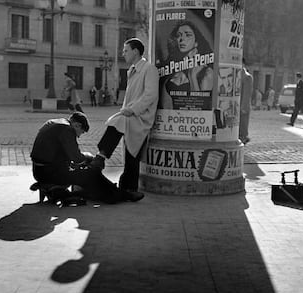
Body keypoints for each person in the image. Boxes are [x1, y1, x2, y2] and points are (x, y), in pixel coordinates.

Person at [90, 38, 159, 194]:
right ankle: (128, 188)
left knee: (117, 122)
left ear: (135, 51)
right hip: (131, 115)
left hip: (140, 116)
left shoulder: (149, 69)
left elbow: (150, 95)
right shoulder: (132, 70)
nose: (123, 53)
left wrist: (133, 109)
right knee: (131, 153)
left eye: (125, 50)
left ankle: (101, 156)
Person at [30, 112, 144, 204]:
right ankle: (121, 194)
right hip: (50, 173)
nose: (79, 136)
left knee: (88, 174)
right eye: (81, 132)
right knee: (91, 173)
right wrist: (89, 158)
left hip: (39, 170)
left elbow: (63, 154)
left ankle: (111, 192)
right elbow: (76, 158)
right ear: (77, 125)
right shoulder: (67, 129)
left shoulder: (57, 122)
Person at [159, 21, 213, 109]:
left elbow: (200, 106)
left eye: (188, 35)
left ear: (196, 42)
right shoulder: (173, 67)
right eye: (178, 35)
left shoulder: (207, 72)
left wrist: (192, 76)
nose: (181, 39)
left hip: (198, 120)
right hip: (174, 118)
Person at [238, 58, 253, 144]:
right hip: (237, 106)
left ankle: (244, 138)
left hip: (242, 106)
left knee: (242, 126)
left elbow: (247, 94)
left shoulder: (247, 77)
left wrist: (243, 107)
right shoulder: (237, 75)